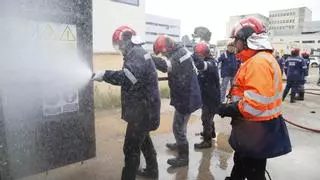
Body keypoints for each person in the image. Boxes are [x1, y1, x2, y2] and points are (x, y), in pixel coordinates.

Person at [217, 17, 291, 180]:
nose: (235, 45)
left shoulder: (258, 63)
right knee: (242, 159)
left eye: (237, 41)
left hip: (256, 127)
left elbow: (253, 106)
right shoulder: (258, 59)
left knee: (254, 171)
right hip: (254, 127)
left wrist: (226, 109)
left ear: (246, 40)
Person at [92, 26, 161, 180]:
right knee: (143, 142)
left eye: (119, 44)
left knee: (130, 148)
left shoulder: (135, 54)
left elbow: (128, 78)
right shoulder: (138, 52)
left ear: (126, 41)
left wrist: (104, 75)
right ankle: (152, 171)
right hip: (145, 108)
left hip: (142, 112)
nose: (119, 48)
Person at [152, 35, 202, 167]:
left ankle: (183, 157)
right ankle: (179, 144)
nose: (163, 54)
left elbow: (166, 66)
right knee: (181, 126)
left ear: (168, 48)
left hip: (186, 97)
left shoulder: (179, 55)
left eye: (163, 52)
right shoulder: (180, 50)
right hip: (187, 95)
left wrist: (149, 58)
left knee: (178, 128)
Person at [192, 42, 220, 149]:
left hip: (211, 97)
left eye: (199, 55)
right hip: (207, 95)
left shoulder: (212, 63)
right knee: (209, 117)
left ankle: (207, 141)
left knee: (206, 118)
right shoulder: (208, 61)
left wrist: (194, 56)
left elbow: (201, 66)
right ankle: (211, 133)